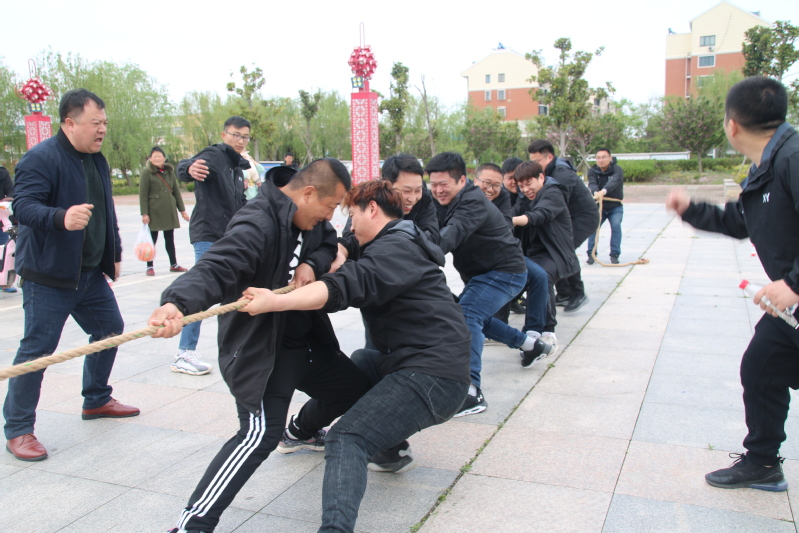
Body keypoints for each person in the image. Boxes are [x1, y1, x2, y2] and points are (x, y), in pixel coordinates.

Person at [150, 159, 373, 533]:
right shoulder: (258, 221)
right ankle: (192, 525)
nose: (329, 215)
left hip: (307, 343)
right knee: (258, 436)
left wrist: (310, 264)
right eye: (330, 206)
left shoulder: (310, 219)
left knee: (356, 393)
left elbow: (327, 242)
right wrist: (178, 302)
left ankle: (300, 432)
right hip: (263, 350)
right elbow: (219, 265)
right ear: (308, 193)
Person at [240, 180, 470, 532]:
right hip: (411, 361)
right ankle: (308, 433)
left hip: (434, 375)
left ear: (372, 209)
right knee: (359, 365)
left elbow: (346, 285)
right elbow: (348, 245)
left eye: (351, 214)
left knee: (347, 438)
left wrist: (276, 301)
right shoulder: (396, 238)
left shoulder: (395, 249)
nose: (349, 224)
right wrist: (342, 249)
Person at [666, 76, 799, 492]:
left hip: (794, 295)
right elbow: (741, 221)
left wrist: (793, 283)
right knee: (760, 367)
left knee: (764, 366)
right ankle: (762, 463)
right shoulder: (766, 167)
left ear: (732, 124)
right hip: (791, 308)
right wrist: (691, 209)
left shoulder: (794, 158)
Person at [3, 89, 139, 462]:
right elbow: (22, 207)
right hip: (49, 274)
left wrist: (113, 252)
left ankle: (96, 399)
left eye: (105, 123)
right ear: (69, 122)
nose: (102, 130)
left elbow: (107, 210)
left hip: (89, 273)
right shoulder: (40, 158)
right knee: (37, 350)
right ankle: (18, 428)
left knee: (110, 329)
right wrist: (60, 217)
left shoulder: (97, 159)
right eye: (95, 123)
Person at [428, 152, 551, 417]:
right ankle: (531, 345)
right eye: (433, 184)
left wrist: (409, 253)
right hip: (481, 274)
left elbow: (449, 236)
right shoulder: (438, 200)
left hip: (505, 271)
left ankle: (471, 392)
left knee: (467, 315)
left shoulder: (472, 201)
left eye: (443, 184)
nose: (437, 190)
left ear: (462, 180)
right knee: (473, 316)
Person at [171, 116, 251, 376]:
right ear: (225, 135)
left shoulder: (237, 168)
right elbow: (185, 166)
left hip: (228, 236)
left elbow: (239, 205)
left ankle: (238, 348)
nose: (240, 140)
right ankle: (184, 353)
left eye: (245, 136)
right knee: (202, 288)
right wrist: (189, 169)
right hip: (209, 233)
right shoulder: (215, 155)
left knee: (234, 292)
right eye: (236, 135)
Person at [334, 153, 439, 351]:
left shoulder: (424, 200)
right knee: (376, 341)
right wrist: (340, 252)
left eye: (418, 190)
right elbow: (351, 237)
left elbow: (432, 239)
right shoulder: (368, 200)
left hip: (411, 286)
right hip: (378, 279)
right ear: (387, 185)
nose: (412, 198)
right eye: (406, 191)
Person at [512, 161, 580, 353]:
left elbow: (540, 214)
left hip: (555, 253)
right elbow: (512, 212)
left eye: (529, 183)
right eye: (521, 186)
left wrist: (513, 220)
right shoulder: (523, 198)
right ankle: (527, 332)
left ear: (541, 177)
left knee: (542, 276)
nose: (526, 189)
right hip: (532, 253)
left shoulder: (553, 193)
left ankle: (548, 332)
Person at [528, 140, 597, 313]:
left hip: (583, 218)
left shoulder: (562, 174)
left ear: (549, 157)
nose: (534, 165)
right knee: (551, 248)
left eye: (537, 161)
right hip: (568, 217)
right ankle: (564, 293)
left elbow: (556, 203)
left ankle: (578, 292)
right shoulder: (547, 172)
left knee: (563, 248)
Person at [138, 146, 190, 276]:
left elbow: (176, 191)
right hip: (154, 211)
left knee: (169, 239)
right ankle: (149, 266)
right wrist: (145, 213)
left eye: (159, 156)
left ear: (164, 158)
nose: (157, 158)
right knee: (152, 240)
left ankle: (174, 264)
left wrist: (182, 210)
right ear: (150, 158)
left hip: (168, 209)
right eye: (154, 156)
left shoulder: (169, 171)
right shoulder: (146, 173)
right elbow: (143, 195)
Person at [586, 148, 624, 265]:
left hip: (615, 206)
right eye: (598, 158)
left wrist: (604, 191)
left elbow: (614, 182)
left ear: (610, 158)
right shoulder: (592, 171)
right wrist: (596, 192)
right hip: (599, 206)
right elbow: (592, 183)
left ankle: (614, 254)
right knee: (593, 227)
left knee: (616, 226)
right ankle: (591, 254)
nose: (601, 160)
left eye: (604, 157)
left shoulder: (617, 170)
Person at [0, 164, 15, 292]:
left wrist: (8, 200)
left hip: (1, 218)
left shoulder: (2, 172)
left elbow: (11, 191)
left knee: (4, 251)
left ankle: (5, 283)